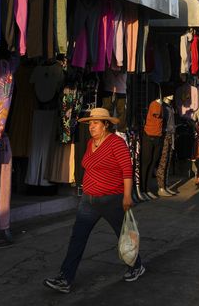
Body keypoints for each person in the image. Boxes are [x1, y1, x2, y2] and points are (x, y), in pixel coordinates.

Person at [44, 108, 144, 294]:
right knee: (77, 238)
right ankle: (65, 278)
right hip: (89, 200)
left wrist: (128, 196)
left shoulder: (117, 143)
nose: (91, 126)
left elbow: (127, 170)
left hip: (111, 199)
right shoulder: (91, 143)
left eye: (95, 123)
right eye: (90, 123)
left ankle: (136, 265)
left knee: (124, 235)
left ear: (105, 125)